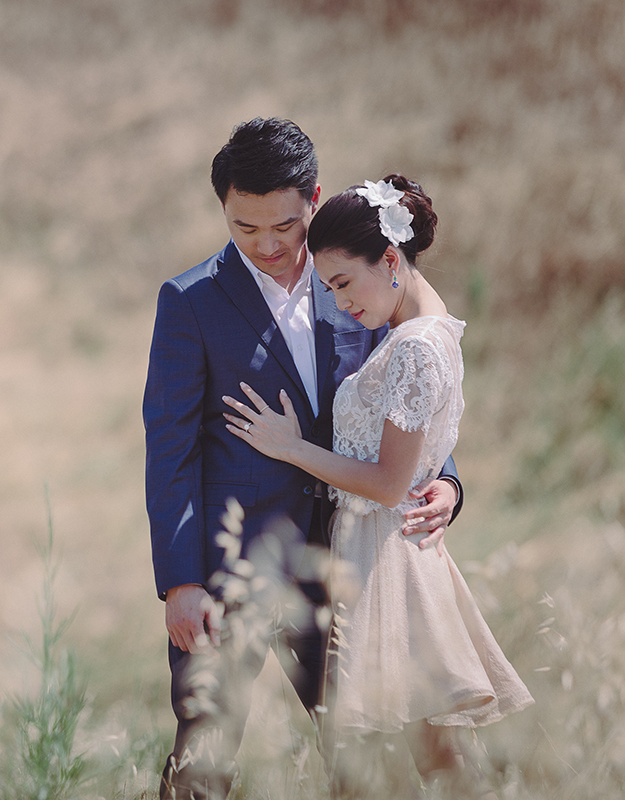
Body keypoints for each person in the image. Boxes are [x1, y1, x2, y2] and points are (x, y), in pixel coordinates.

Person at [142, 118, 463, 799]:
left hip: (352, 563)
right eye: (243, 228)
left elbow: (408, 390)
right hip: (232, 570)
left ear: (313, 199)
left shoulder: (353, 277)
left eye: (284, 226)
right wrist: (180, 581)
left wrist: (450, 484)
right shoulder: (189, 304)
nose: (266, 245)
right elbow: (169, 451)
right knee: (205, 754)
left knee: (362, 754)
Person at [223, 174, 533, 797]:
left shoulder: (416, 347)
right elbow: (415, 466)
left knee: (409, 754)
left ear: (391, 259)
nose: (339, 304)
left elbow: (391, 483)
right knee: (426, 753)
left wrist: (292, 449)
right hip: (381, 550)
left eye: (342, 283)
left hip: (388, 558)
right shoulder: (424, 332)